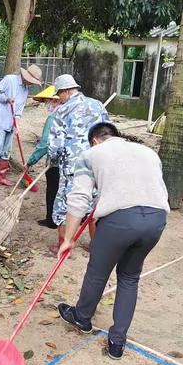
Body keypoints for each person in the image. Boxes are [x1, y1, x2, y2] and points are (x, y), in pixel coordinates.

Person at [57, 122, 170, 360]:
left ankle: (82, 317)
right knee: (129, 277)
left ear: (95, 140)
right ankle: (117, 342)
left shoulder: (91, 154)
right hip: (156, 220)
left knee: (98, 273)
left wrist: (68, 238)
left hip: (121, 221)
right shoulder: (147, 152)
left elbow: (79, 198)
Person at [48, 74, 109, 251]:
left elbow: (55, 144)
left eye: (59, 93)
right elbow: (109, 131)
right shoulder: (97, 105)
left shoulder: (62, 111)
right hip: (97, 163)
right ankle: (95, 246)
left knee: (64, 205)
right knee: (95, 204)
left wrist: (52, 161)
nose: (59, 98)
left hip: (72, 167)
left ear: (67, 91)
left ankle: (64, 246)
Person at [0, 64, 42, 191]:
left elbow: (19, 110)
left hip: (11, 123)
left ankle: (0, 178)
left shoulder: (25, 90)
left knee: (6, 151)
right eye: (31, 81)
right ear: (25, 77)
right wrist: (5, 98)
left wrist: (17, 125)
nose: (31, 84)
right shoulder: (10, 80)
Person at [26, 87, 62, 229]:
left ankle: (52, 220)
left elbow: (45, 143)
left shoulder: (53, 118)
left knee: (53, 190)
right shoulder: (75, 114)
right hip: (75, 162)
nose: (46, 104)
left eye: (47, 101)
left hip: (56, 162)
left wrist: (31, 160)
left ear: (54, 100)